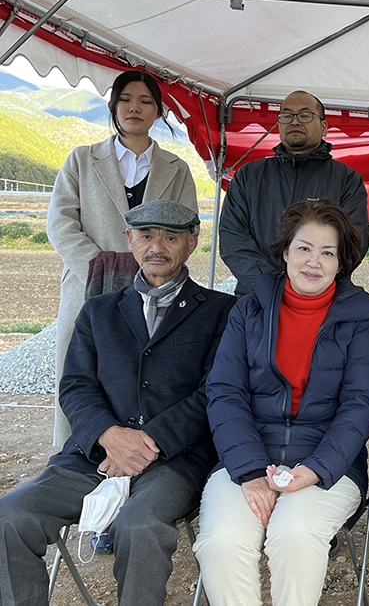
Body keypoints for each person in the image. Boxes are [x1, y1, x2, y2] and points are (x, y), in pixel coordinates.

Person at [0, 200, 235, 605]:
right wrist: (109, 436)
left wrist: (147, 443)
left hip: (174, 461)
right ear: (130, 240)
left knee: (139, 527)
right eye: (145, 236)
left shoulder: (221, 311)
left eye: (171, 236)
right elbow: (75, 385)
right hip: (94, 455)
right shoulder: (98, 311)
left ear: (193, 241)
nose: (156, 247)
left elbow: (215, 390)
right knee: (11, 517)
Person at [195, 199, 369, 606]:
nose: (313, 261)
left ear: (341, 263)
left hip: (327, 467)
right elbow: (225, 392)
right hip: (246, 460)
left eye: (327, 252)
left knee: (295, 534)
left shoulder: (358, 320)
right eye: (304, 248)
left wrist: (315, 470)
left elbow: (360, 404)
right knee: (222, 542)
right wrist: (248, 471)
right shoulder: (248, 311)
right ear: (285, 252)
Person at [47, 69, 198, 445]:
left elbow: (188, 226)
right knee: (80, 365)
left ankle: (141, 448)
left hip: (155, 288)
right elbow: (61, 222)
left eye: (146, 101)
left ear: (159, 111)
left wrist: (150, 264)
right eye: (127, 99)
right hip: (88, 284)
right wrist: (102, 266)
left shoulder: (177, 170)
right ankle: (74, 449)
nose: (135, 108)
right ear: (113, 106)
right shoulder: (81, 160)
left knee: (142, 368)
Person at [219, 90, 369, 297]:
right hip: (256, 297)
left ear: (324, 127)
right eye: (287, 115)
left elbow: (354, 243)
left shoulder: (346, 180)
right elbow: (232, 239)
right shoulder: (248, 176)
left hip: (321, 300)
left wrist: (307, 286)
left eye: (305, 115)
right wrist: (270, 286)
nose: (295, 122)